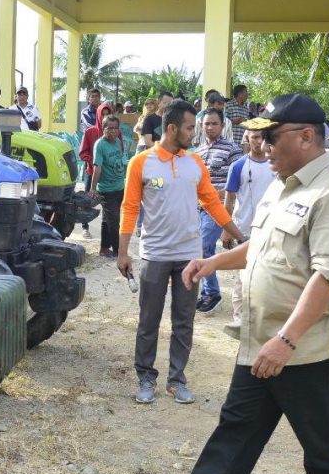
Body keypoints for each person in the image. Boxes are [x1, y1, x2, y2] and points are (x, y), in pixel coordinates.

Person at [141, 94, 329, 474]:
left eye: (272, 135)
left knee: (322, 441)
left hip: (312, 344)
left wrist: (286, 340)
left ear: (307, 136)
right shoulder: (282, 185)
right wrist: (211, 262)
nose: (262, 145)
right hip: (263, 338)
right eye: (260, 135)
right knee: (236, 429)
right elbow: (260, 249)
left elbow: (327, 276)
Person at [117, 99, 245, 405]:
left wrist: (239, 234)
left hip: (190, 254)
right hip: (155, 254)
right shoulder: (141, 163)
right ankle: (146, 377)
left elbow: (212, 202)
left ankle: (177, 380)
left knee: (184, 320)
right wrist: (123, 252)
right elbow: (130, 207)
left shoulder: (194, 162)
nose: (194, 132)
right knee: (149, 319)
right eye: (190, 127)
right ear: (172, 128)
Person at [222, 129, 277, 329]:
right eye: (254, 137)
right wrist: (227, 228)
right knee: (241, 277)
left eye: (263, 137)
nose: (258, 142)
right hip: (243, 231)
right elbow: (229, 199)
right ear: (247, 138)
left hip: (271, 230)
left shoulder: (276, 165)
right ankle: (240, 318)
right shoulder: (238, 166)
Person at [194, 108, 243, 314]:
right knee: (197, 248)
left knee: (205, 246)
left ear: (222, 126)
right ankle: (206, 291)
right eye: (207, 123)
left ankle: (212, 293)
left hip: (216, 208)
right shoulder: (197, 152)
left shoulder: (233, 150)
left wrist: (216, 194)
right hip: (196, 207)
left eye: (214, 123)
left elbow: (236, 184)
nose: (210, 127)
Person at [90, 114, 129, 258]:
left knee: (108, 219)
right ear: (103, 128)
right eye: (110, 128)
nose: (113, 131)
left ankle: (104, 248)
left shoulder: (118, 141)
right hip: (106, 190)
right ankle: (119, 252)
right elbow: (97, 168)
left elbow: (121, 160)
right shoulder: (100, 145)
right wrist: (93, 188)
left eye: (115, 128)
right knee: (114, 221)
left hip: (119, 187)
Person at [78, 102, 116, 240]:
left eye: (108, 114)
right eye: (103, 114)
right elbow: (82, 153)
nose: (105, 117)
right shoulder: (90, 132)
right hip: (91, 173)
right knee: (87, 201)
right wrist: (95, 161)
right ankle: (85, 227)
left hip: (109, 175)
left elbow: (120, 150)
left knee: (109, 205)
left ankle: (107, 236)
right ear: (98, 115)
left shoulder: (116, 133)